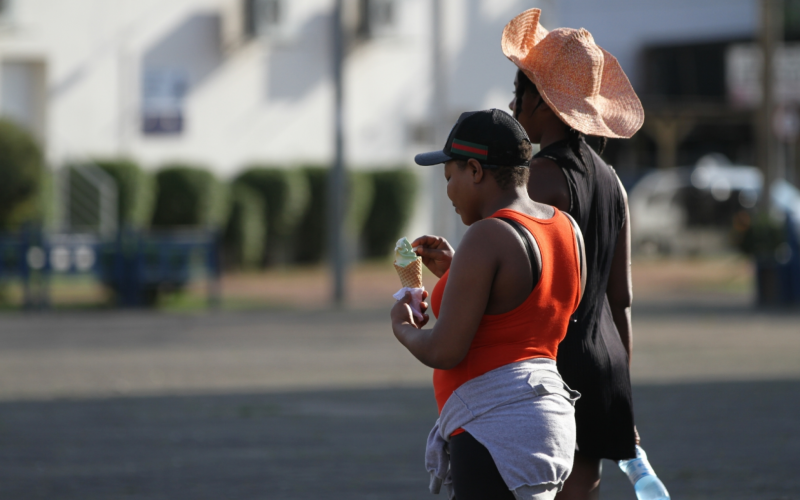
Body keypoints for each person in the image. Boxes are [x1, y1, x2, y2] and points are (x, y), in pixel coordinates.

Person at [390, 108, 587, 500]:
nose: (448, 192)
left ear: (476, 171)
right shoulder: (568, 227)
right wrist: (456, 270)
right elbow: (524, 309)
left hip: (495, 426)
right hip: (548, 416)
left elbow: (446, 350)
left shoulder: (487, 236)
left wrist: (404, 328)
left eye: (450, 177)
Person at [501, 9, 645, 499]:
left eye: (519, 91)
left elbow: (516, 272)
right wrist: (623, 383)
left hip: (558, 359)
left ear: (543, 103)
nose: (512, 103)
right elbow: (620, 298)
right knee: (582, 489)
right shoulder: (615, 183)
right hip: (606, 360)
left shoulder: (540, 176)